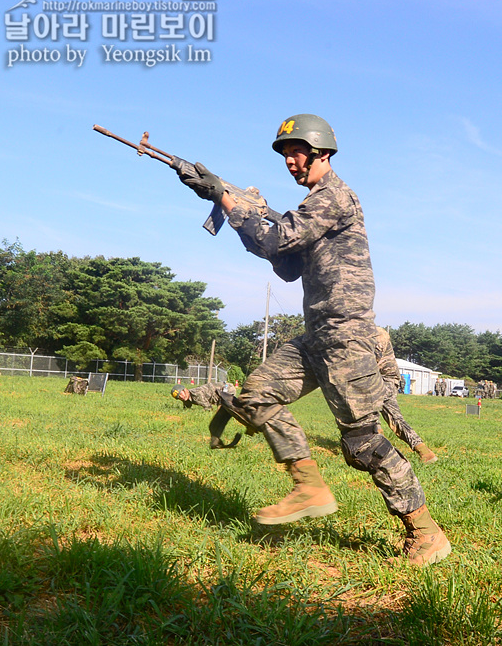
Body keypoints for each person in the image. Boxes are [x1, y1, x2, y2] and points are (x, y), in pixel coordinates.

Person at [177, 114, 449, 565]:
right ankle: (309, 486)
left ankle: (425, 532)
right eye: (285, 155)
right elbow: (285, 265)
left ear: (322, 151)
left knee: (362, 442)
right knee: (256, 395)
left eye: (297, 153)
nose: (290, 163)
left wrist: (228, 198)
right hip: (317, 336)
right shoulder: (311, 207)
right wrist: (241, 205)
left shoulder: (335, 197)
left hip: (346, 336)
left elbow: (281, 239)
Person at [373, 326, 438, 464]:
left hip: (386, 379)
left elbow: (371, 361)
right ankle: (423, 450)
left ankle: (377, 447)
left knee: (371, 411)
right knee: (394, 418)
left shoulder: (377, 335)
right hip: (382, 379)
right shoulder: (371, 333)